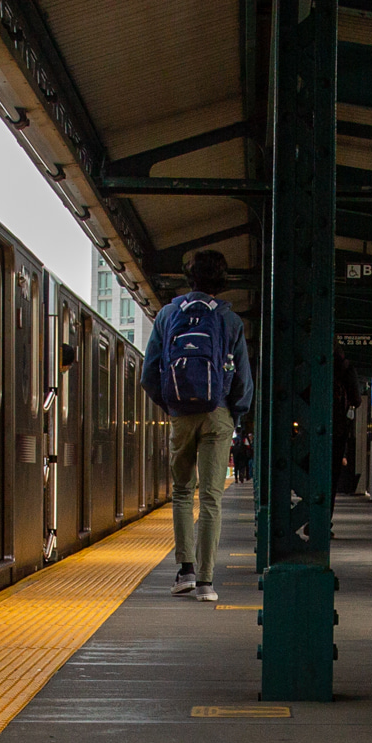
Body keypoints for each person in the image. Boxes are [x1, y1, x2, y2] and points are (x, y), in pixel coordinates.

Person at [141, 250, 252, 604]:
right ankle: (206, 581)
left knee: (182, 492)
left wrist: (172, 406)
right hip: (217, 413)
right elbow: (244, 382)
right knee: (211, 498)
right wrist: (234, 414)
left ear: (189, 278)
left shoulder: (168, 315)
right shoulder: (230, 321)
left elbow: (149, 374)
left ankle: (185, 570)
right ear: (221, 282)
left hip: (180, 414)